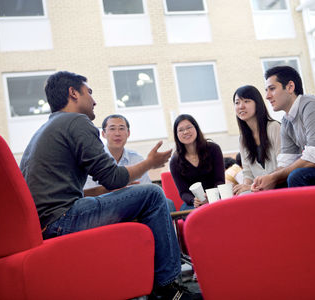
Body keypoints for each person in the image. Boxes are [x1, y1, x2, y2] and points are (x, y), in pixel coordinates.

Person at [20, 71, 200, 300]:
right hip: (63, 219)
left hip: (47, 223)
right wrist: (150, 163)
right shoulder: (76, 121)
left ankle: (144, 281)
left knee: (149, 198)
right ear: (73, 93)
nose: (94, 100)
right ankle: (169, 289)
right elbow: (113, 178)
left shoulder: (44, 130)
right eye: (89, 92)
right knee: (154, 195)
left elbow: (91, 187)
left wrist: (105, 191)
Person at [84, 114, 176, 212]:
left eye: (121, 128)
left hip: (134, 205)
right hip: (105, 206)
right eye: (112, 129)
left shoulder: (136, 159)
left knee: (167, 203)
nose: (117, 133)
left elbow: (147, 188)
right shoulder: (94, 159)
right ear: (103, 134)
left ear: (128, 133)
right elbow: (88, 195)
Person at [232, 85, 281, 195]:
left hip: (280, 185)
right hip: (258, 190)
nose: (241, 106)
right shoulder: (242, 139)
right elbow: (248, 173)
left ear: (257, 104)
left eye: (247, 101)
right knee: (241, 196)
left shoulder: (273, 127)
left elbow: (284, 165)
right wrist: (244, 186)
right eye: (237, 102)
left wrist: (250, 186)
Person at [170, 114, 225, 210]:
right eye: (181, 130)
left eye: (189, 127)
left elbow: (220, 180)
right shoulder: (175, 161)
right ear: (176, 135)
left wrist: (211, 196)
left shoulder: (213, 149)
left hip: (216, 197)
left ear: (196, 128)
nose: (186, 132)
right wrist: (193, 200)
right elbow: (183, 192)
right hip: (193, 204)